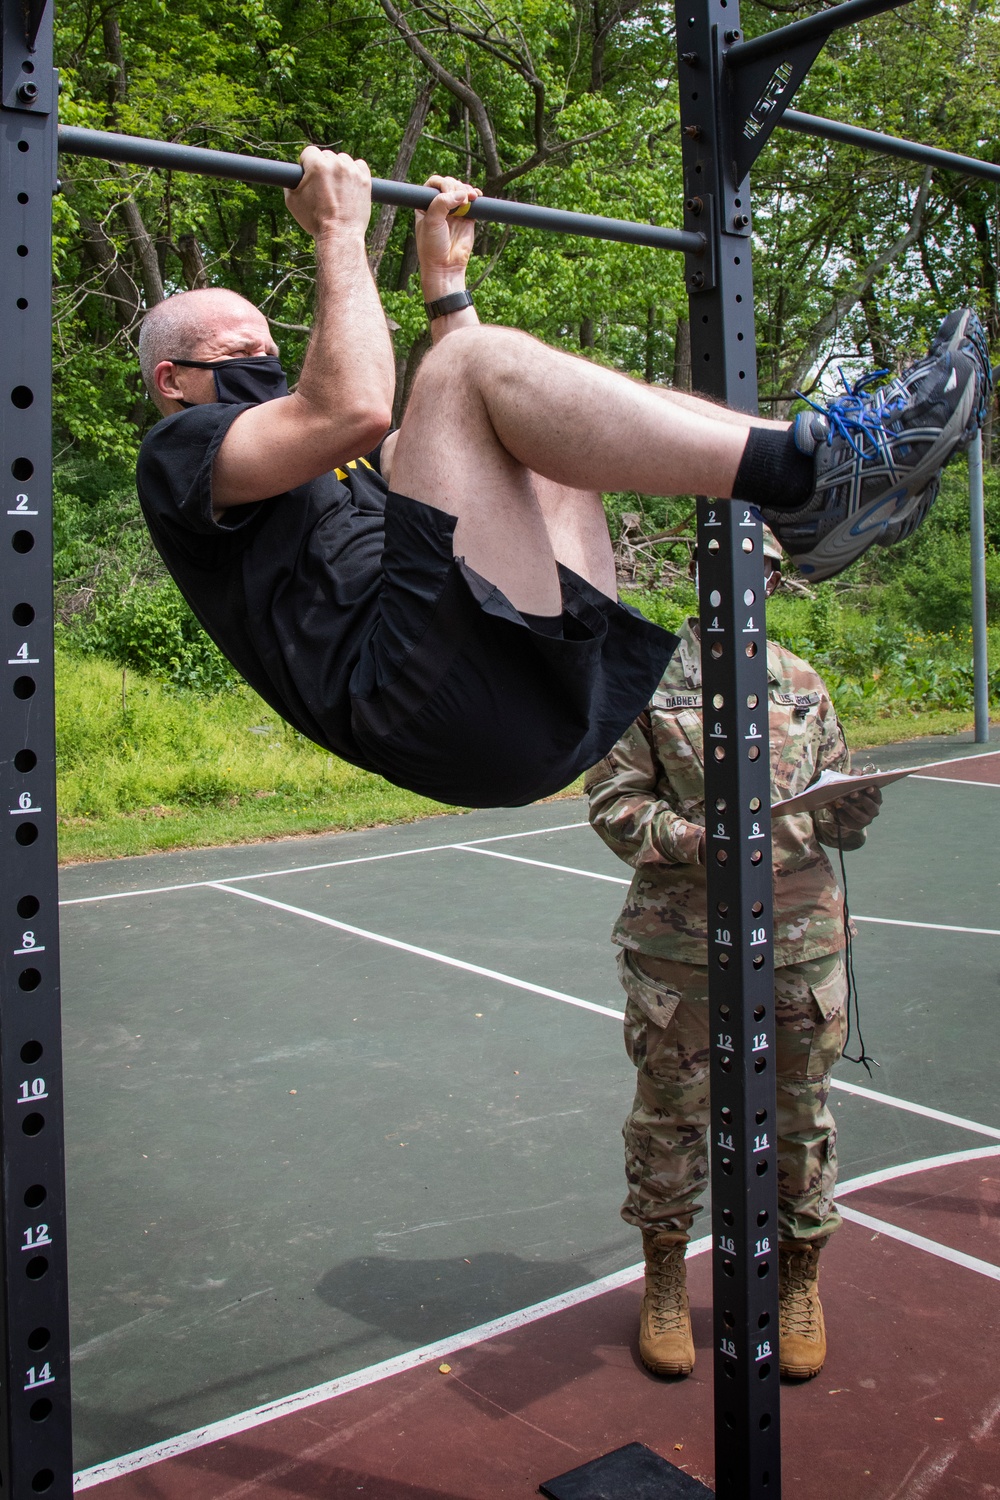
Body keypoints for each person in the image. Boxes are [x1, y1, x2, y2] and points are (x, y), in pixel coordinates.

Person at [134, 147, 990, 808]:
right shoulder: (182, 458)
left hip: (552, 692)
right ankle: (806, 477)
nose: (266, 360)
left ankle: (826, 466)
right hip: (423, 702)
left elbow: (455, 440)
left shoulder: (343, 473)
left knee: (543, 411)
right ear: (174, 380)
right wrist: (337, 231)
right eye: (239, 354)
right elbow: (351, 405)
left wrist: (445, 284)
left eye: (271, 347)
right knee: (470, 367)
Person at [585, 528, 881, 1381]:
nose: (758, 585)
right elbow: (613, 803)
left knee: (799, 1117)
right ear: (708, 576)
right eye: (743, 570)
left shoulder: (799, 681)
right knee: (671, 1119)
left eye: (770, 572)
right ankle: (666, 1281)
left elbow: (832, 794)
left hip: (797, 940)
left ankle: (797, 1282)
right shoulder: (651, 676)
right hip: (683, 944)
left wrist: (849, 810)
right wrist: (695, 838)